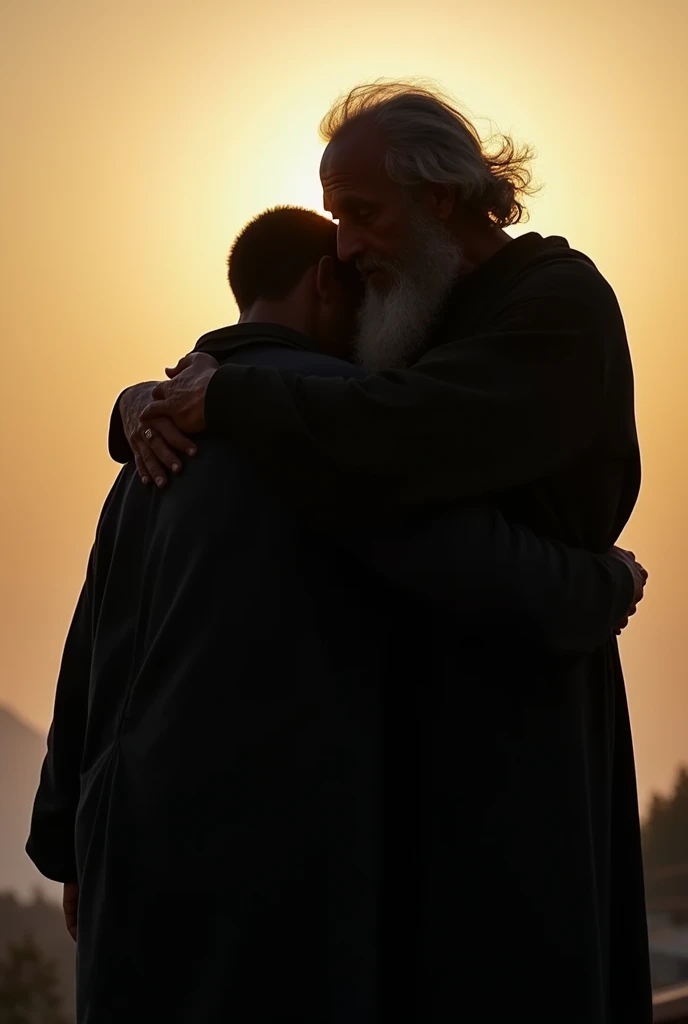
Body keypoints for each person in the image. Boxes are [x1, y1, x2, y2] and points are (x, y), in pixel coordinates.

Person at [28, 207, 644, 1024]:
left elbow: (92, 651)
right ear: (326, 282)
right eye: (370, 289)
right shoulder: (322, 422)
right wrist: (603, 580)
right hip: (267, 877)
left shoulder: (154, 438)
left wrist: (70, 843)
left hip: (129, 874)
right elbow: (479, 565)